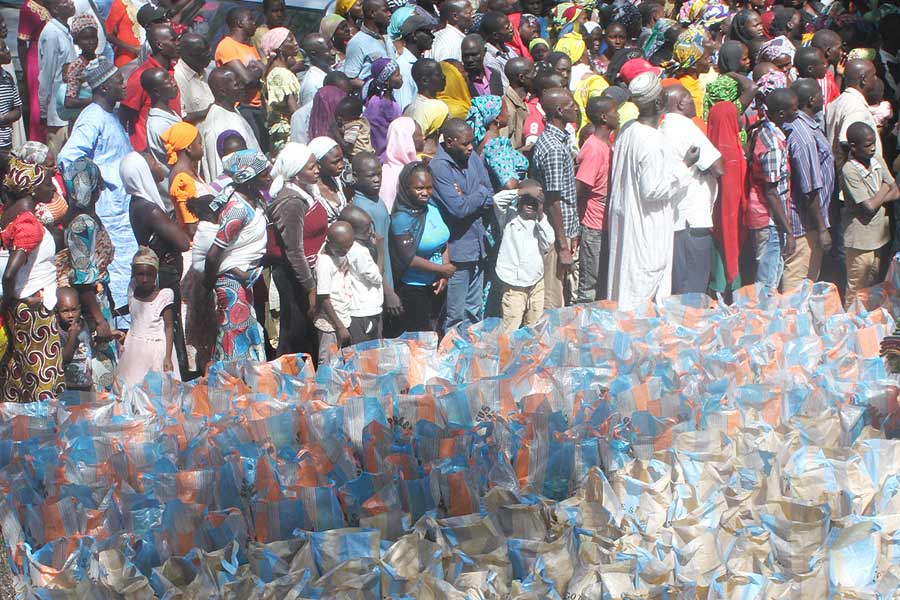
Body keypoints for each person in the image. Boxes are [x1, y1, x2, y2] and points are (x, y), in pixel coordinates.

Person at [606, 72, 692, 311]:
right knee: (640, 297)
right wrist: (685, 166)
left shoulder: (628, 129)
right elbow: (652, 190)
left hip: (631, 223)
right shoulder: (651, 141)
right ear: (658, 102)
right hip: (646, 229)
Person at [59, 56, 134, 314]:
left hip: (122, 206)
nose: (124, 85)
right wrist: (92, 186)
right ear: (104, 87)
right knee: (116, 269)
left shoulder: (110, 115)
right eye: (119, 81)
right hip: (108, 208)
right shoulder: (92, 118)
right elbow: (68, 157)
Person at [0, 158, 64, 401]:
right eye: (47, 184)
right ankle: (43, 423)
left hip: (22, 306)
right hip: (33, 309)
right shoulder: (28, 224)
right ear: (32, 190)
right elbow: (10, 273)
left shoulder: (11, 216)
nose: (53, 188)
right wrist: (9, 300)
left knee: (19, 371)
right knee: (43, 374)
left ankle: (17, 421)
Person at [124, 151, 191, 373]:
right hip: (163, 276)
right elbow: (183, 242)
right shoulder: (151, 210)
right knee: (170, 326)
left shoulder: (135, 203)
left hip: (160, 271)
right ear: (143, 171)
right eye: (152, 162)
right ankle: (176, 373)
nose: (157, 165)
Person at [202, 150, 269, 363]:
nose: (269, 177)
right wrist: (207, 288)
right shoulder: (238, 211)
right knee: (235, 340)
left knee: (245, 336)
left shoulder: (255, 200)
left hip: (244, 280)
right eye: (264, 173)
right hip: (231, 285)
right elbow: (214, 254)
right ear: (249, 178)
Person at [429, 118, 494, 331]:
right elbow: (458, 209)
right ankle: (453, 350)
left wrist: (470, 196)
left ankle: (470, 348)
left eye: (471, 142)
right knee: (455, 314)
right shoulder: (439, 167)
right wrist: (478, 195)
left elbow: (489, 194)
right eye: (465, 143)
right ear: (450, 142)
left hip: (477, 245)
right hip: (457, 251)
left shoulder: (471, 157)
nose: (471, 147)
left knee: (474, 309)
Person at [660, 83, 723, 295]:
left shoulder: (663, 128)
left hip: (674, 217)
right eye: (690, 98)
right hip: (692, 218)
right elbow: (718, 167)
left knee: (679, 284)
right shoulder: (686, 128)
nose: (694, 102)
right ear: (680, 104)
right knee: (692, 287)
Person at [62, 156, 118, 390]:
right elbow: (83, 279)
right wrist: (99, 320)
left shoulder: (81, 218)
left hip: (97, 299)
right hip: (91, 305)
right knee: (100, 371)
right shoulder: (82, 225)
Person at [267, 142, 327, 356]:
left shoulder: (307, 192)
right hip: (296, 278)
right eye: (311, 167)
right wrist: (310, 289)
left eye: (316, 165)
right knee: (295, 334)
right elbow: (294, 251)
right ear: (296, 173)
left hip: (308, 274)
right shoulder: (291, 203)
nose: (317, 170)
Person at [780, 83, 834, 293]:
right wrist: (822, 229)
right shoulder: (803, 136)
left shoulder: (807, 127)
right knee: (798, 281)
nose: (823, 98)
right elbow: (809, 187)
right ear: (811, 100)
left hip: (811, 220)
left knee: (808, 282)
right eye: (820, 95)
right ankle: (790, 315)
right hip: (805, 223)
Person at [389, 162, 453, 332]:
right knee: (419, 339)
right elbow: (408, 258)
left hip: (437, 285)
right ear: (406, 188)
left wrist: (443, 273)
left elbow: (443, 240)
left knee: (436, 332)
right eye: (419, 188)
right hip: (414, 289)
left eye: (429, 188)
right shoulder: (401, 219)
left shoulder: (432, 208)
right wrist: (441, 269)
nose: (425, 192)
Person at [841, 122, 900, 306]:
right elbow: (869, 207)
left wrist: (879, 196)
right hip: (861, 242)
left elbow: (896, 192)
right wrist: (885, 187)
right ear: (853, 147)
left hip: (879, 238)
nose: (873, 148)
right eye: (867, 145)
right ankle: (851, 319)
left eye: (874, 143)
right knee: (856, 289)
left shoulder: (877, 160)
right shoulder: (849, 170)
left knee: (873, 287)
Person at [531, 87, 579, 309]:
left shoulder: (557, 141)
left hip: (563, 231)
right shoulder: (554, 149)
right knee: (553, 295)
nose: (576, 108)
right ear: (559, 111)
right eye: (571, 105)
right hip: (555, 234)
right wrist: (563, 246)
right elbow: (553, 200)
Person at [746, 88, 795, 290]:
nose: (797, 112)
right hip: (769, 219)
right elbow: (771, 192)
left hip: (765, 215)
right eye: (794, 109)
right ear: (781, 114)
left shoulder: (763, 131)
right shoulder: (773, 145)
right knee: (767, 282)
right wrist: (789, 232)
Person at [494, 180, 554, 332]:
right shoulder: (509, 217)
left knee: (534, 327)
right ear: (519, 200)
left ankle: (529, 348)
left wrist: (540, 213)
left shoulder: (540, 222)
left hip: (536, 283)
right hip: (513, 285)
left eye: (534, 202)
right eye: (526, 199)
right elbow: (497, 199)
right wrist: (524, 191)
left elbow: (548, 242)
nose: (530, 204)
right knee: (511, 327)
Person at [115, 247, 180, 388]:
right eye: (140, 274)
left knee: (154, 389)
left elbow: (169, 326)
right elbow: (132, 307)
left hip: (156, 349)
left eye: (149, 275)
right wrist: (114, 313)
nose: (144, 279)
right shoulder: (133, 288)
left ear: (156, 274)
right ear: (134, 274)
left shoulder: (164, 296)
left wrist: (167, 357)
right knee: (130, 385)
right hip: (133, 347)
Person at [575, 96, 617, 304]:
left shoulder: (606, 145)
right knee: (589, 288)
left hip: (604, 224)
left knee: (602, 285)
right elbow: (580, 187)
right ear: (603, 117)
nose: (618, 115)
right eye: (614, 112)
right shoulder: (594, 149)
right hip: (593, 227)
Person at [351, 152, 402, 322]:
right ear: (356, 177)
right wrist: (389, 293)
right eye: (370, 176)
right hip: (376, 288)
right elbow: (371, 258)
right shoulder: (361, 210)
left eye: (379, 174)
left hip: (387, 279)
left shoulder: (375, 200)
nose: (377, 179)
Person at [707, 100, 749, 296]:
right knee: (725, 260)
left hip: (713, 221)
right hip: (729, 222)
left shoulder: (710, 147)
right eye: (737, 115)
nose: (741, 119)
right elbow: (730, 199)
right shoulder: (729, 153)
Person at [199, 67, 260, 181]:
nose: (242, 87)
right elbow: (219, 173)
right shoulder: (217, 126)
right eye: (237, 85)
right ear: (223, 91)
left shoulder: (232, 110)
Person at [336, 207, 384, 343]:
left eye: (371, 226)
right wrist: (381, 250)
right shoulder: (359, 252)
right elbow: (377, 278)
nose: (371, 232)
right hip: (365, 311)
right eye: (366, 229)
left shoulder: (341, 245)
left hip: (354, 308)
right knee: (367, 349)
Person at [825, 59, 881, 172]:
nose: (876, 79)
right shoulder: (855, 108)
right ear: (863, 80)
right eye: (873, 75)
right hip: (858, 178)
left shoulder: (838, 101)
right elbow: (845, 142)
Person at [38, 0, 76, 155]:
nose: (71, 3)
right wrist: (43, 111)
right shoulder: (51, 34)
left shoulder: (66, 31)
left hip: (70, 108)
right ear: (55, 9)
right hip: (57, 112)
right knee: (56, 156)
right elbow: (46, 75)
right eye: (65, 1)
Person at [466, 95, 528, 189]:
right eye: (506, 111)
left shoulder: (479, 142)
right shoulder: (495, 146)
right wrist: (525, 188)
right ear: (496, 118)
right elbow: (510, 184)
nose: (509, 114)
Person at [315, 221, 354, 362]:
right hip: (331, 324)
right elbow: (324, 298)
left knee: (341, 361)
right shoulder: (325, 263)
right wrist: (339, 327)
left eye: (348, 248)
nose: (346, 252)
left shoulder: (339, 251)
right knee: (328, 362)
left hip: (343, 317)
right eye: (342, 250)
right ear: (330, 243)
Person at [164, 122, 212, 235]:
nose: (202, 147)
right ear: (189, 148)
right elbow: (192, 228)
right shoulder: (182, 180)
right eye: (199, 143)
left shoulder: (189, 172)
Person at [260, 28, 301, 154]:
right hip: (289, 134)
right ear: (279, 48)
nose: (295, 43)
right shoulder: (281, 74)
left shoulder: (273, 71)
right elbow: (294, 111)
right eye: (290, 40)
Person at [18, 0, 50, 141]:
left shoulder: (49, 3)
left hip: (50, 55)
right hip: (36, 58)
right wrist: (25, 69)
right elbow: (21, 42)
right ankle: (37, 140)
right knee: (37, 103)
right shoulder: (28, 8)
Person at [342, 0, 393, 85]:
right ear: (372, 13)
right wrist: (371, 88)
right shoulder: (357, 43)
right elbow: (350, 79)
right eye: (385, 11)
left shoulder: (387, 38)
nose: (389, 14)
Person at [143, 68, 182, 173]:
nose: (174, 83)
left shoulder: (168, 112)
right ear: (157, 92)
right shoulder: (160, 125)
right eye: (168, 82)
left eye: (172, 79)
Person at [404, 59, 449, 149]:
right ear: (425, 80)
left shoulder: (408, 108)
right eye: (438, 74)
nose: (444, 77)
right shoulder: (438, 107)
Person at [364, 58, 403, 158]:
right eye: (397, 75)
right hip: (385, 155)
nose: (401, 77)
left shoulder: (386, 98)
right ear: (386, 80)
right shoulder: (381, 104)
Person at [57, 287, 94, 391]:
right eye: (65, 311)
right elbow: (65, 358)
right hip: (68, 387)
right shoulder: (58, 331)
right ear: (57, 312)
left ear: (79, 308)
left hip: (86, 384)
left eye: (74, 310)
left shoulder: (85, 324)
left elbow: (89, 345)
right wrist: (72, 336)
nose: (70, 315)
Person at [61, 16, 97, 121]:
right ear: (77, 41)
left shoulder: (101, 61)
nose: (91, 42)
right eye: (86, 38)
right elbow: (69, 101)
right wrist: (95, 100)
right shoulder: (76, 67)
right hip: (83, 118)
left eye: (93, 37)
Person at [174, 34, 214, 125]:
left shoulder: (205, 71)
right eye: (203, 53)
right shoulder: (177, 78)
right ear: (188, 55)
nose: (209, 55)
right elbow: (181, 118)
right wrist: (212, 110)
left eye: (209, 50)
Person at [396, 14, 434, 111]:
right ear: (414, 36)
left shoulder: (419, 63)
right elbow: (405, 109)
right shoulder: (403, 67)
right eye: (428, 32)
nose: (432, 36)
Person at [309, 136, 349, 222]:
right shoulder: (311, 191)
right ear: (318, 164)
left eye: (341, 159)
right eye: (335, 162)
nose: (341, 165)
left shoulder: (338, 181)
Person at [502, 57, 533, 151]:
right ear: (521, 78)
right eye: (533, 73)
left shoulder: (523, 101)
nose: (537, 77)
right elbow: (502, 149)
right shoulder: (507, 108)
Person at [480, 11, 517, 88]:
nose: (511, 29)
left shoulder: (508, 49)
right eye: (507, 28)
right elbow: (506, 88)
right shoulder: (490, 60)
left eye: (510, 25)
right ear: (495, 35)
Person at [299, 33, 335, 109]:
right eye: (328, 50)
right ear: (314, 54)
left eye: (332, 48)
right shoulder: (312, 85)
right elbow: (312, 113)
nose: (334, 53)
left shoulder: (331, 71)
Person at [104, 0, 143, 67]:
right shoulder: (120, 3)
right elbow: (108, 34)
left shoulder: (151, 2)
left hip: (149, 51)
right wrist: (133, 49)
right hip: (127, 57)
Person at [0, 41, 22, 156]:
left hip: (6, 143)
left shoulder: (7, 78)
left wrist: (4, 119)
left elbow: (17, 110)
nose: (8, 51)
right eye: (3, 49)